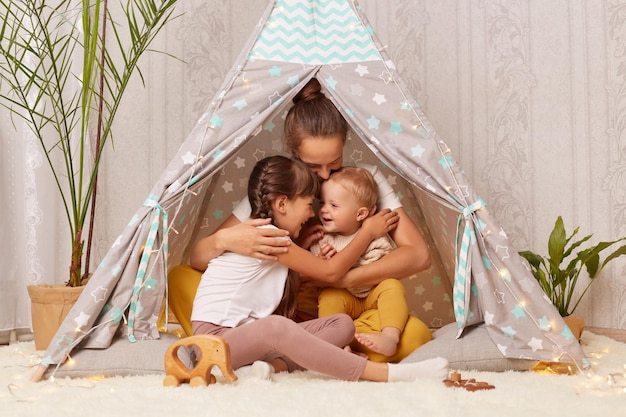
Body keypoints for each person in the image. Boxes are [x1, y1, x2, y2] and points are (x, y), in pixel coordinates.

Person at [184, 78, 432, 363]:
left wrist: (345, 278)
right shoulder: (282, 190)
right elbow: (199, 259)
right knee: (183, 280)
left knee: (413, 335)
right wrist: (223, 239)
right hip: (296, 311)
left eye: (335, 163)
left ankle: (311, 354)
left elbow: (418, 255)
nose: (325, 175)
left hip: (356, 304)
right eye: (313, 166)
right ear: (293, 152)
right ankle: (314, 352)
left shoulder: (364, 181)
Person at [191, 155, 449, 382]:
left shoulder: (270, 236)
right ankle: (385, 375)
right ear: (282, 204)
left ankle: (273, 367)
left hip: (244, 339)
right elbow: (330, 273)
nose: (310, 214)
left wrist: (304, 247)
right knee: (277, 326)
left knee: (342, 325)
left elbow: (296, 275)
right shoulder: (266, 235)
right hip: (213, 342)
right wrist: (368, 232)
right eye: (308, 204)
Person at [308, 166, 410, 359]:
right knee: (329, 295)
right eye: (322, 203)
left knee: (392, 286)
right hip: (347, 298)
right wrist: (321, 261)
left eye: (334, 206)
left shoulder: (377, 237)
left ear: (361, 214)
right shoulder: (323, 238)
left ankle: (389, 337)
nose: (323, 210)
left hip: (372, 296)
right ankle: (338, 344)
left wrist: (345, 262)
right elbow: (317, 270)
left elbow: (383, 267)